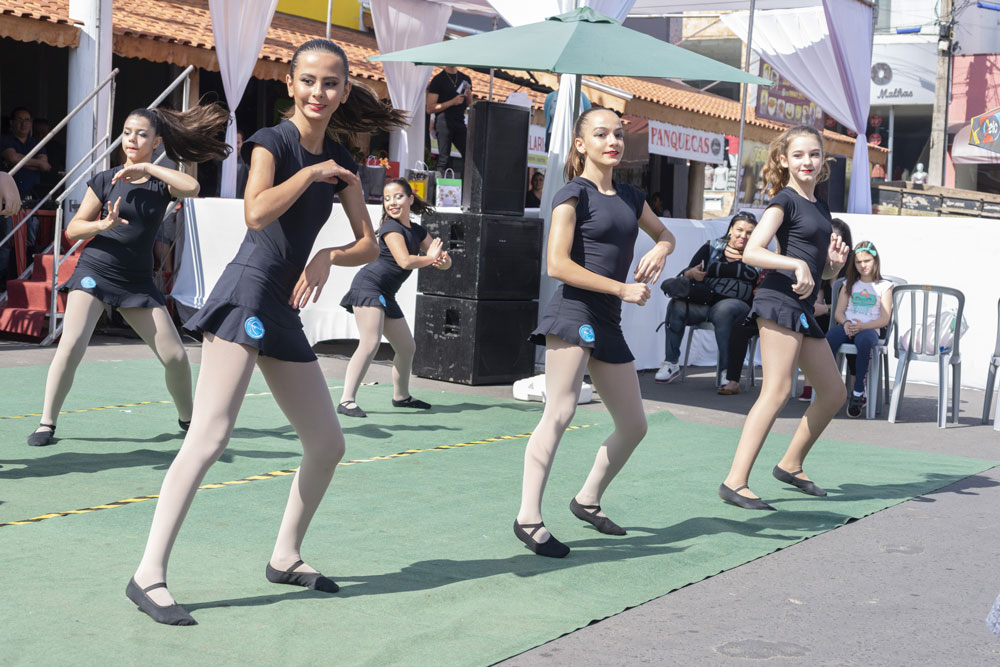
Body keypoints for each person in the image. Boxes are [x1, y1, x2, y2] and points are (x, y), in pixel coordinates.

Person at [128, 38, 406, 625]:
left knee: (328, 444)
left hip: (282, 309)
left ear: (345, 91)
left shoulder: (341, 164)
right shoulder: (272, 144)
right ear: (289, 82)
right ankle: (148, 573)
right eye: (308, 80)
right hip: (247, 292)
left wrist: (330, 255)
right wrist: (311, 177)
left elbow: (369, 241)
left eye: (331, 83)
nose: (318, 93)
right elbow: (255, 212)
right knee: (209, 437)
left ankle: (285, 555)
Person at [516, 108, 675, 558]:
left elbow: (664, 233)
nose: (613, 141)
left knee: (634, 425)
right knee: (560, 412)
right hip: (574, 311)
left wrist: (662, 247)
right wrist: (621, 287)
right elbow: (557, 264)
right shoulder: (573, 194)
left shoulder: (629, 195)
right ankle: (528, 517)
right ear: (580, 144)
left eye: (619, 134)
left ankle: (587, 499)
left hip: (608, 320)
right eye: (601, 133)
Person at [25, 104, 230, 448]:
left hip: (136, 281)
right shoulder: (106, 179)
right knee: (73, 344)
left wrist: (149, 168)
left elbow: (192, 187)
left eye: (142, 134)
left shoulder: (162, 184)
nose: (132, 139)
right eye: (127, 132)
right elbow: (74, 230)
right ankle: (47, 422)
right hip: (96, 270)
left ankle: (188, 419)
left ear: (156, 142)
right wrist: (102, 225)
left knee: (177, 357)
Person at [720, 124, 849, 511]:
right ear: (783, 160)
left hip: (802, 307)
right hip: (778, 301)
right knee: (776, 391)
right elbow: (752, 251)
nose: (807, 161)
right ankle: (735, 481)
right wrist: (795, 263)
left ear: (823, 158)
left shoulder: (820, 205)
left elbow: (818, 272)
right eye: (798, 155)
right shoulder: (784, 201)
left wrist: (833, 267)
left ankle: (791, 464)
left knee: (834, 393)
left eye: (813, 154)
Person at [337, 178, 451, 418]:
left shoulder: (417, 230)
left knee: (407, 347)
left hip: (386, 293)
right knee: (370, 343)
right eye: (387, 199)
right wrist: (431, 258)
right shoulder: (390, 228)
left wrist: (442, 260)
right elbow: (405, 261)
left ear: (410, 199)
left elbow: (443, 261)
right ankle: (346, 400)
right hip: (368, 287)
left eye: (398, 197)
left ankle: (401, 396)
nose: (392, 203)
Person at [655, 212, 759, 387]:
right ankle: (671, 363)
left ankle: (727, 371)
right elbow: (687, 272)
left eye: (749, 232)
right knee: (677, 305)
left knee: (723, 310)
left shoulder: (758, 254)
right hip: (706, 304)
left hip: (739, 308)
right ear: (731, 229)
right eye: (740, 230)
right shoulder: (712, 248)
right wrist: (692, 274)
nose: (743, 235)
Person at [826, 240, 893, 418]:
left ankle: (857, 393)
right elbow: (838, 313)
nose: (863, 265)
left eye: (867, 261)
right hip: (848, 325)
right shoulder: (849, 283)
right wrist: (847, 323)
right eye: (858, 262)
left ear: (875, 261)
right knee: (829, 338)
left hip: (869, 328)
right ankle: (829, 387)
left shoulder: (884, 286)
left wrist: (862, 326)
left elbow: (884, 318)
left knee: (864, 342)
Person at [797, 217, 852, 402]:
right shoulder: (817, 265)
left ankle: (853, 389)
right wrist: (831, 309)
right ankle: (809, 385)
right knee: (812, 324)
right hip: (827, 318)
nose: (832, 245)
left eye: (837, 239)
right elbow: (815, 307)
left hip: (847, 321)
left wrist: (830, 310)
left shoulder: (851, 269)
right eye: (829, 239)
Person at [426, 66, 472, 173]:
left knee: (470, 155)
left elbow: (469, 105)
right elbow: (430, 108)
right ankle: (439, 188)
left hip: (460, 121)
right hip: (443, 122)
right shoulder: (438, 79)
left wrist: (469, 96)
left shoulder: (465, 78)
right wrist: (452, 102)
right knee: (444, 158)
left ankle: (465, 186)